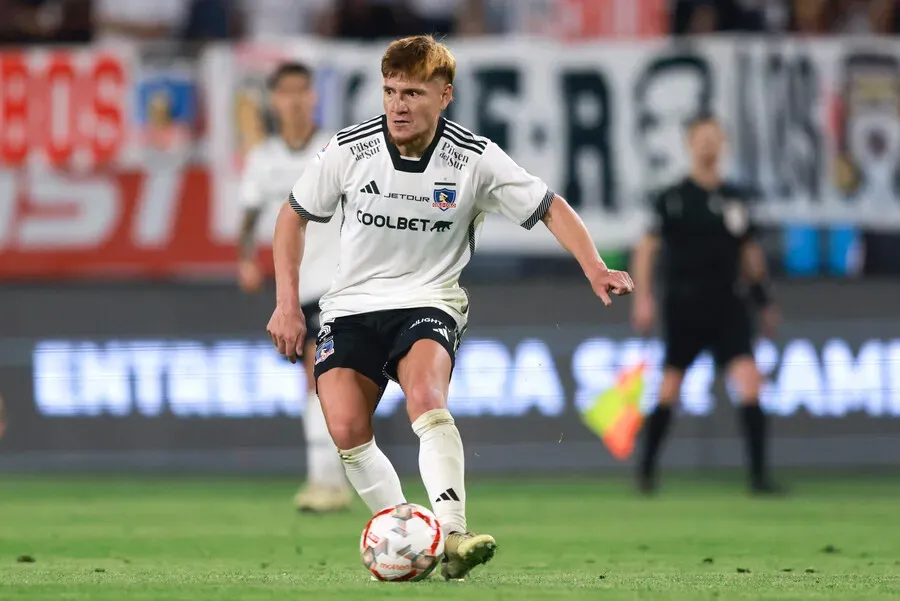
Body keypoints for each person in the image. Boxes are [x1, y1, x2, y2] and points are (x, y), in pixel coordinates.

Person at [265, 35, 634, 581]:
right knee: (344, 426)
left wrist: (595, 266)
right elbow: (293, 216)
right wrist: (286, 304)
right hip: (351, 306)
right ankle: (409, 534)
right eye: (390, 91)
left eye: (413, 92)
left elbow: (549, 206)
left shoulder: (475, 159)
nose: (399, 104)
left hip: (429, 300)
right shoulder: (351, 150)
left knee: (427, 398)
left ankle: (453, 533)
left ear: (446, 95)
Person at [630, 113, 783, 496]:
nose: (707, 145)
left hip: (728, 305)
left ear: (722, 144)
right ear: (689, 144)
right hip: (684, 306)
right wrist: (643, 297)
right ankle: (646, 473)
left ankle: (759, 478)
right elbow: (647, 249)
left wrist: (763, 299)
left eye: (714, 138)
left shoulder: (735, 199)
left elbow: (750, 252)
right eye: (701, 138)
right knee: (669, 389)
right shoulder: (673, 198)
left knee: (749, 384)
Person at [238, 62, 351, 514]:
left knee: (318, 379)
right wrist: (244, 260)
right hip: (296, 289)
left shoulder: (338, 147)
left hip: (341, 283)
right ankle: (332, 479)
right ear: (274, 100)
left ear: (314, 97)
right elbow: (247, 215)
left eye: (302, 90)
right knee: (324, 383)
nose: (295, 99)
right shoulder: (263, 158)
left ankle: (326, 481)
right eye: (285, 92)